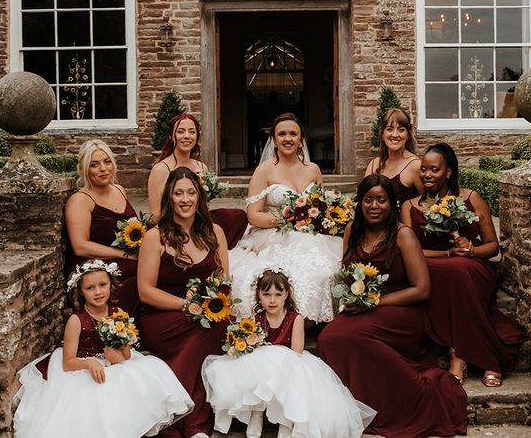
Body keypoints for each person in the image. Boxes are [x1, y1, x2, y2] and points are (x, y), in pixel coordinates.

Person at [318, 174, 467, 438]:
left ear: (392, 203)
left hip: (402, 312)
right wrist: (354, 296)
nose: (374, 206)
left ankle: (405, 399)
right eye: (368, 200)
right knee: (329, 338)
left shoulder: (403, 235)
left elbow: (422, 289)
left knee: (352, 336)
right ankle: (358, 407)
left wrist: (373, 302)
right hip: (365, 309)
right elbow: (346, 271)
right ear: (359, 202)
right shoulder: (353, 230)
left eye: (381, 200)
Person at [13, 260, 193, 438]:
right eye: (90, 288)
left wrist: (120, 357)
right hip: (82, 365)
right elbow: (67, 363)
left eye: (102, 285)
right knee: (99, 393)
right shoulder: (76, 321)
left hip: (113, 361)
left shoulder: (119, 313)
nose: (98, 292)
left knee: (141, 374)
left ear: (110, 285)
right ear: (81, 292)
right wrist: (90, 363)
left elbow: (127, 353)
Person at [401, 143, 524, 387]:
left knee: (460, 270)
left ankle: (459, 354)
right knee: (451, 270)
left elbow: (492, 247)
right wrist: (448, 252)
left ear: (448, 172)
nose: (426, 175)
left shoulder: (471, 198)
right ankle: (464, 354)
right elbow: (409, 253)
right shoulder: (409, 206)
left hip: (471, 265)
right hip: (430, 263)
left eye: (434, 170)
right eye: (423, 169)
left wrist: (470, 250)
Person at [202, 268, 375, 438]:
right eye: (266, 295)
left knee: (289, 378)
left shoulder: (295, 319)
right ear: (258, 296)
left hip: (291, 363)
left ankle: (286, 421)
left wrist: (273, 358)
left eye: (278, 294)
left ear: (286, 294)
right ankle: (256, 414)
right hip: (263, 367)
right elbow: (252, 349)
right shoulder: (256, 318)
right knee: (248, 367)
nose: (272, 300)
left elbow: (296, 353)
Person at [138, 166, 230, 438]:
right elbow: (145, 291)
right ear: (169, 197)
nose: (185, 199)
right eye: (179, 193)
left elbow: (224, 282)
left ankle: (179, 414)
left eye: (191, 192)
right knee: (208, 330)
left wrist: (208, 305)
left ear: (200, 197)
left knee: (214, 326)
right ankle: (196, 425)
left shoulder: (215, 233)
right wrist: (185, 305)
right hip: (162, 318)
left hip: (203, 316)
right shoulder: (156, 236)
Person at [229, 113, 342, 322]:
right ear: (274, 139)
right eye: (282, 134)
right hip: (270, 232)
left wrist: (316, 220)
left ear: (301, 138)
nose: (287, 138)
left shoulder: (313, 170)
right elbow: (253, 215)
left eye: (293, 133)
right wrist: (288, 220)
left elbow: (321, 207)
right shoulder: (264, 170)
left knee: (326, 266)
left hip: (308, 233)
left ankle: (308, 319)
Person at [148, 113, 248, 249]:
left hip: (199, 220)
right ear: (172, 136)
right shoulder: (161, 169)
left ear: (197, 137)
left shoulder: (201, 167)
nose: (187, 136)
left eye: (192, 132)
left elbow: (204, 205)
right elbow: (155, 216)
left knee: (237, 216)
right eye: (181, 132)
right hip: (173, 225)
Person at [65, 140, 139, 314]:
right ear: (85, 169)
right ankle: (118, 319)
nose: (103, 168)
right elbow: (80, 246)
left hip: (124, 257)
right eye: (94, 165)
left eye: (107, 162)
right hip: (95, 262)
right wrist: (125, 255)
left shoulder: (119, 189)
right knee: (147, 269)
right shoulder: (80, 200)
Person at [365, 107, 424, 207]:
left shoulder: (415, 165)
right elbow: (363, 199)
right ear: (383, 134)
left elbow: (427, 203)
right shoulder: (373, 164)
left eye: (401, 130)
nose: (395, 134)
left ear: (408, 135)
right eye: (389, 129)